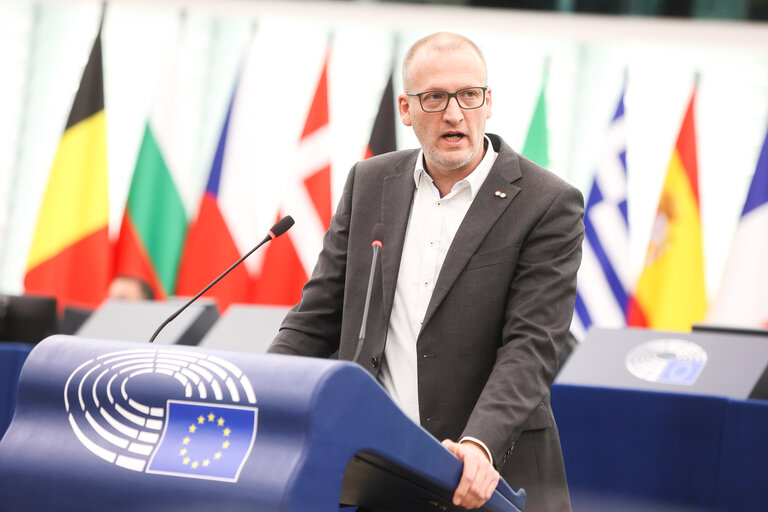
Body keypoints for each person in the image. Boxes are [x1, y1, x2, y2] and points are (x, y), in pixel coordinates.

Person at [268, 32, 583, 511]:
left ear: (488, 102)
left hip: (490, 480)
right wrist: (257, 392)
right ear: (405, 108)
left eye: (468, 95)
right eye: (434, 97)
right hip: (378, 473)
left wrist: (478, 444)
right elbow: (317, 318)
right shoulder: (370, 182)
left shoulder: (547, 202)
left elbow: (532, 347)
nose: (454, 113)